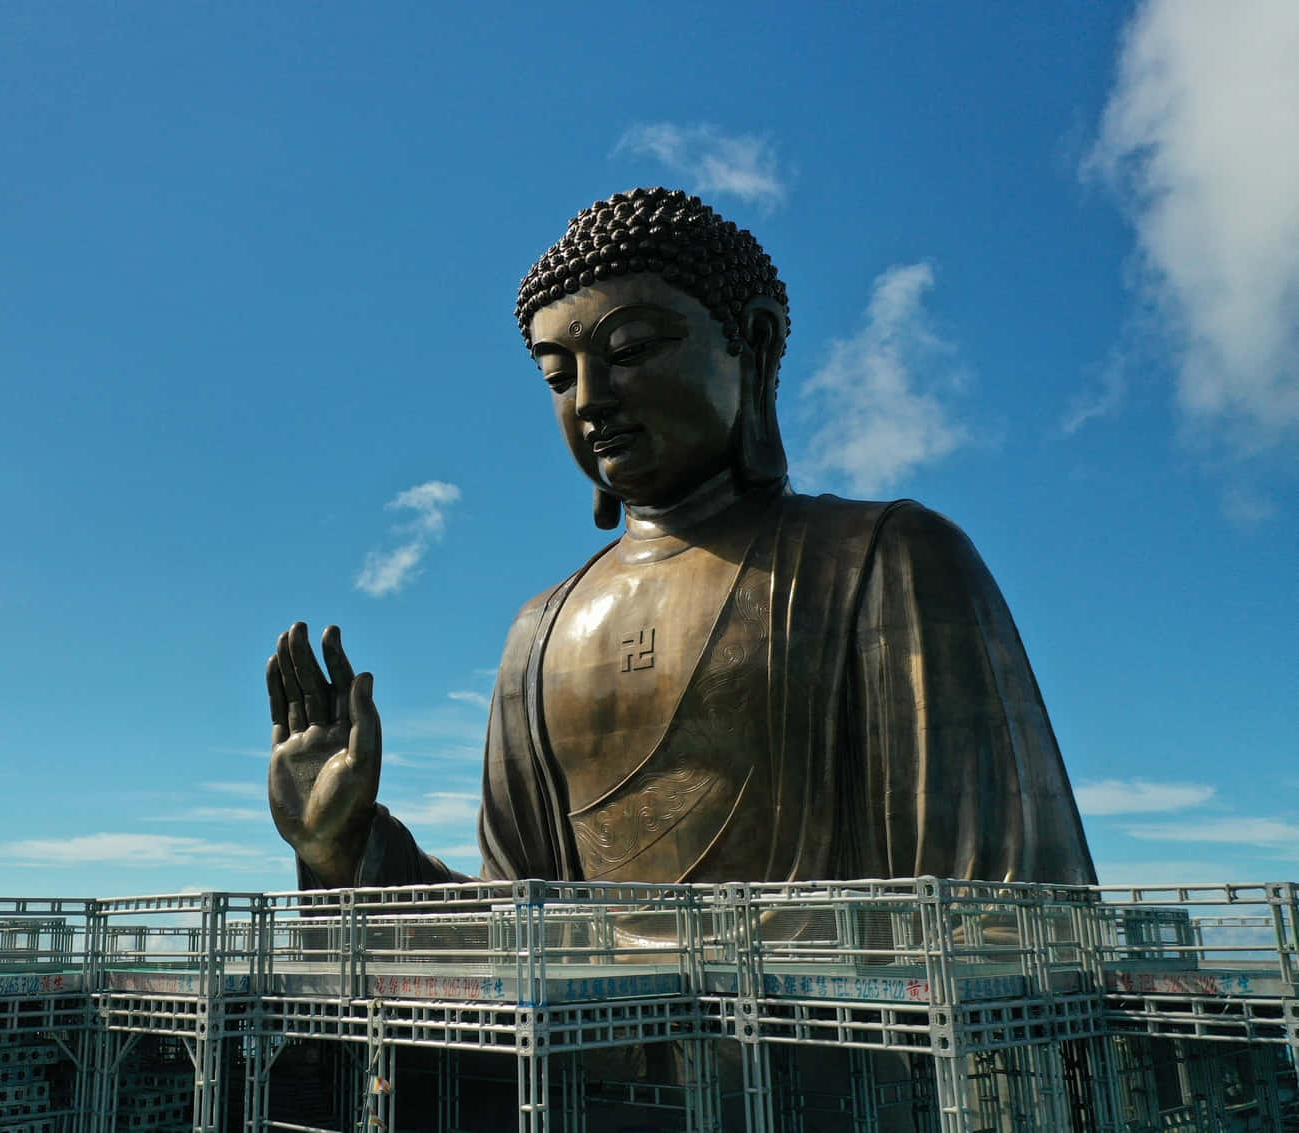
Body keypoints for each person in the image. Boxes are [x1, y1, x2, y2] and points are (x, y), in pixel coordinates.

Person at [266, 187, 1095, 894]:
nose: (589, 398)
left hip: (838, 1070)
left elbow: (1000, 919)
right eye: (558, 374)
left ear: (757, 346)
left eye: (629, 350)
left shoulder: (882, 562)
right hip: (581, 1071)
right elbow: (519, 922)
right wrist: (346, 848)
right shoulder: (541, 634)